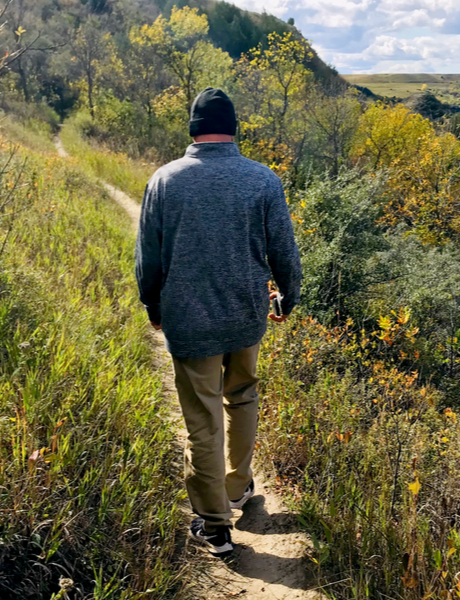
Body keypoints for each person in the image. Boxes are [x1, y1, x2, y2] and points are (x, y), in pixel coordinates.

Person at [135, 87, 302, 558]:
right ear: (232, 130)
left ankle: (214, 526)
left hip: (189, 320)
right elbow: (284, 250)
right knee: (243, 395)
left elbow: (148, 258)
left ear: (192, 128)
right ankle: (236, 487)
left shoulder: (165, 180)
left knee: (203, 421)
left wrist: (154, 305)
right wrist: (288, 296)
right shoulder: (262, 180)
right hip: (246, 313)